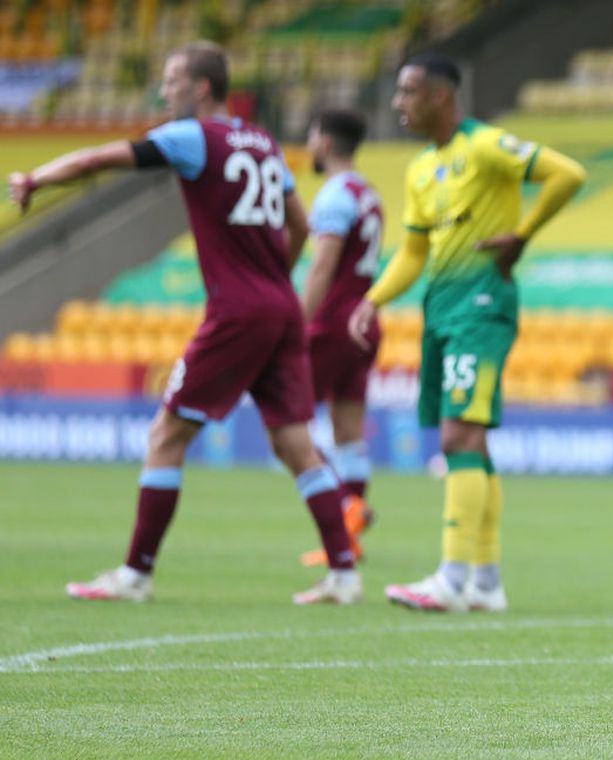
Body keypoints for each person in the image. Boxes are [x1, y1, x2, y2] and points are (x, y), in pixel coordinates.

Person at [7, 41, 362, 605]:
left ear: (201, 88)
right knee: (295, 442)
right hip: (280, 307)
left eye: (172, 80)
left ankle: (136, 574)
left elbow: (102, 158)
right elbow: (298, 226)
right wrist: (273, 275)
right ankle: (344, 573)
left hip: (238, 312)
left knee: (166, 435)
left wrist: (37, 181)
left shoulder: (194, 136)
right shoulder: (264, 142)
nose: (163, 90)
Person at [348, 54, 585, 613]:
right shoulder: (420, 169)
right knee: (471, 442)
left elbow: (567, 173)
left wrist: (523, 234)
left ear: (440, 95)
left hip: (481, 305)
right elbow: (412, 251)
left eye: (408, 92)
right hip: (441, 309)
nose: (398, 103)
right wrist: (372, 299)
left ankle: (451, 579)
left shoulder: (483, 146)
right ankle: (485, 582)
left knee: (457, 437)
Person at [297, 108, 383, 567]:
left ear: (325, 143)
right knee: (348, 431)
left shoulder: (334, 195)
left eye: (310, 137)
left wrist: (297, 324)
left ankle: (346, 511)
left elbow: (323, 266)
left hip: (332, 321)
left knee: (288, 422)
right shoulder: (367, 193)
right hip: (367, 320)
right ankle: (349, 537)